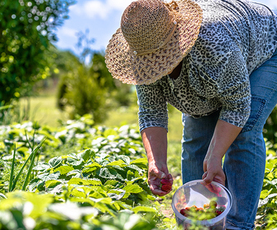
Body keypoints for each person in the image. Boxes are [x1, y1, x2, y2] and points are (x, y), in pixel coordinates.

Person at [105, 0, 277, 228]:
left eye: (160, 57)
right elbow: (151, 112)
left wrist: (215, 156)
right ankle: (200, 221)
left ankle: (238, 223)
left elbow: (237, 106)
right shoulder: (144, 59)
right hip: (221, 69)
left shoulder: (213, 44)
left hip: (264, 50)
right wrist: (156, 163)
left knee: (243, 131)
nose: (155, 63)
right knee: (196, 141)